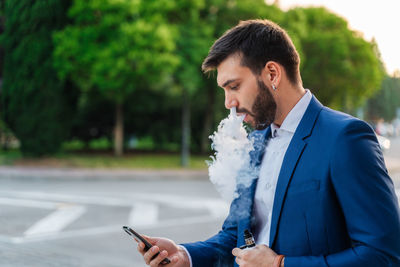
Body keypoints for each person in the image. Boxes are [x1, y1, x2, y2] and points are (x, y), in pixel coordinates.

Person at [138, 19, 400, 267]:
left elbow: (383, 254)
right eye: (224, 90)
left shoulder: (345, 138)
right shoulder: (254, 143)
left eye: (235, 86)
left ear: (272, 73)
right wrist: (185, 255)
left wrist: (280, 264)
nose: (228, 103)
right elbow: (236, 236)